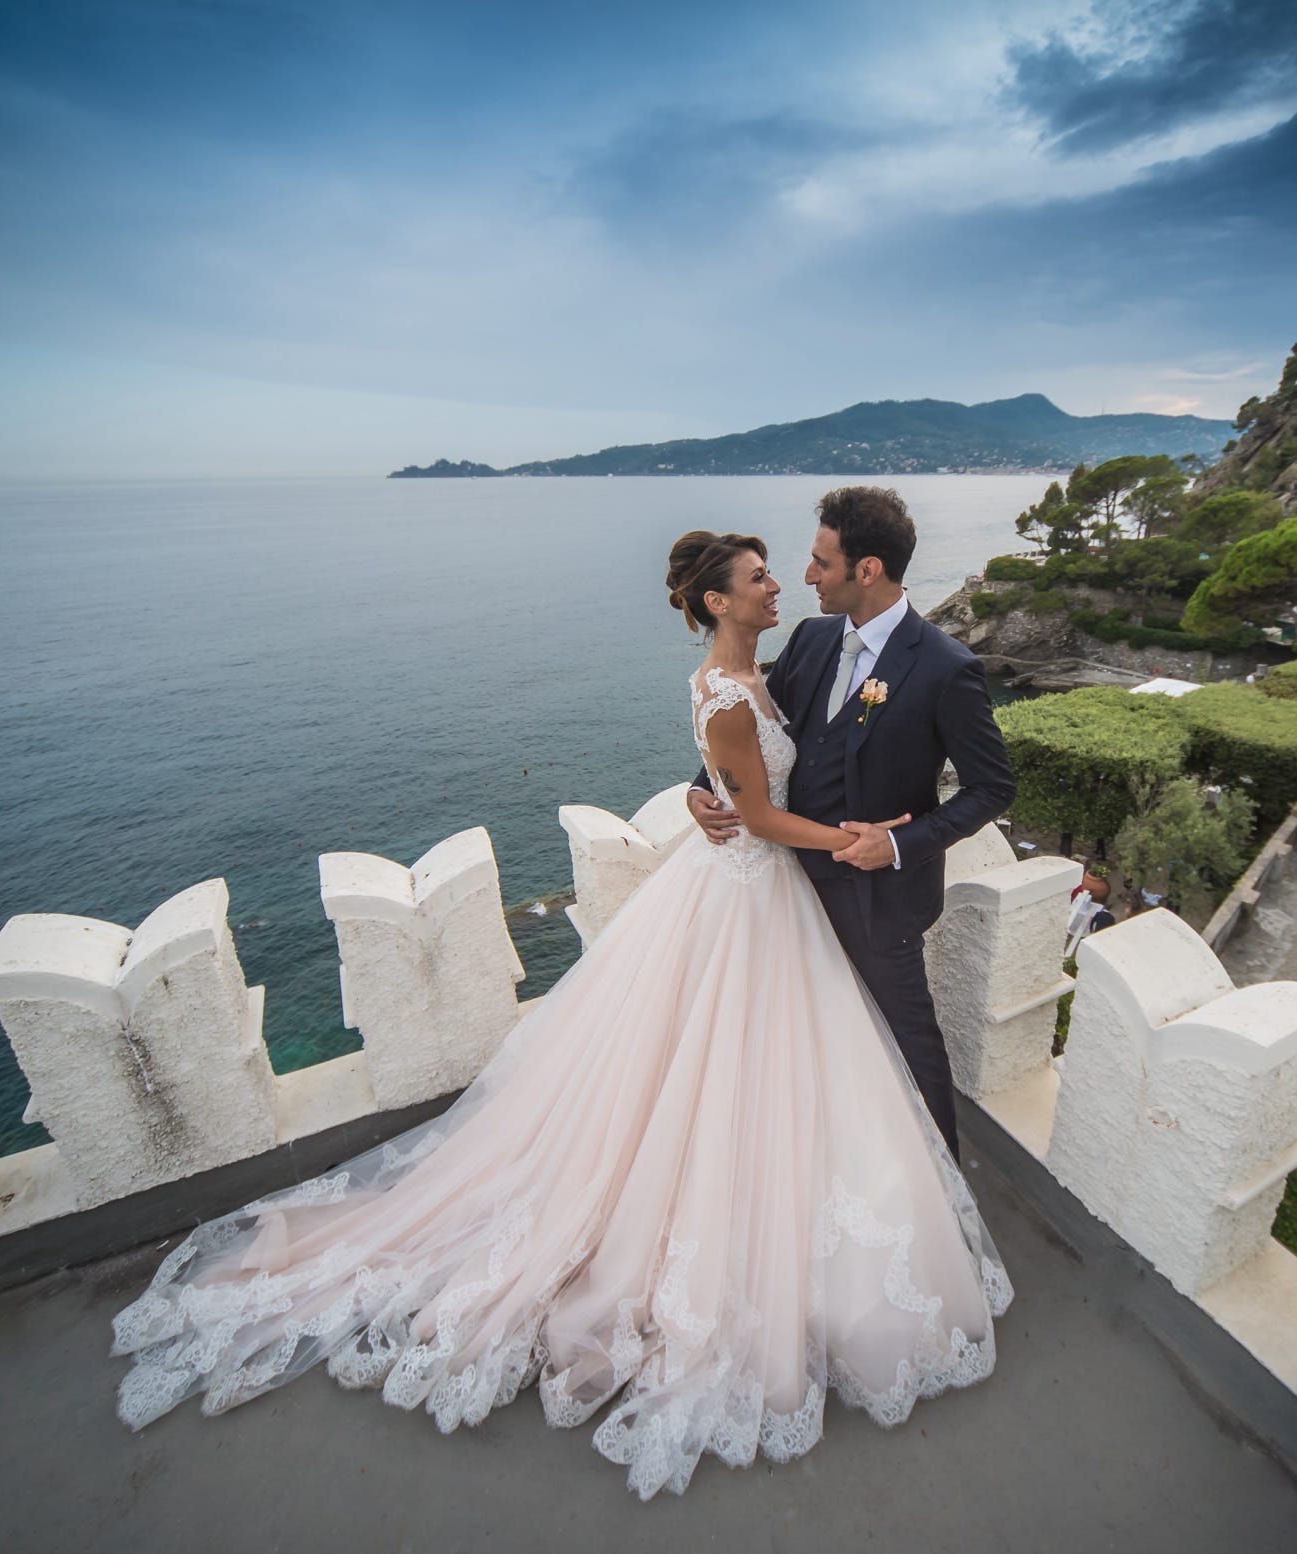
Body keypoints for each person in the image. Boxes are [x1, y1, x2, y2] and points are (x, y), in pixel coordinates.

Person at [109, 528, 1011, 1501]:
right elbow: (751, 803)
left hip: (776, 891)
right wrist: (822, 829)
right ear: (717, 602)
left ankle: (877, 1203)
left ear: (863, 568)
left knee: (786, 1067)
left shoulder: (783, 667)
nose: (786, 582)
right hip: (755, 892)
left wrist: (735, 796)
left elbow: (767, 767)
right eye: (760, 578)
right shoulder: (738, 683)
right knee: (723, 1069)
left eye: (803, 566)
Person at [687, 487, 1019, 1159]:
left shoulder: (946, 669)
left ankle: (945, 1185)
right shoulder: (811, 639)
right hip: (786, 889)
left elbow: (993, 787)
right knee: (812, 1037)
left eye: (820, 563)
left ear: (867, 570)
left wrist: (899, 844)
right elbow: (757, 725)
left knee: (909, 1038)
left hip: (880, 902)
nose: (805, 578)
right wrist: (700, 787)